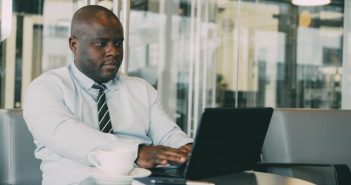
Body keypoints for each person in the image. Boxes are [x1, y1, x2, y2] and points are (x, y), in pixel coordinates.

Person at [23, 5, 193, 185]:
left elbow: (168, 134)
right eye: (101, 43)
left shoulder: (141, 89)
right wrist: (135, 152)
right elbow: (66, 135)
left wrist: (188, 150)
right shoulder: (46, 87)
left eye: (118, 43)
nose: (114, 52)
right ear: (74, 44)